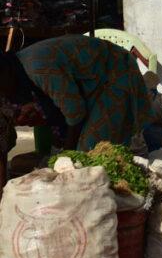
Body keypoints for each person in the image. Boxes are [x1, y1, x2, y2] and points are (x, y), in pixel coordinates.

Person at [0, 34, 152, 191]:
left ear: (5, 72)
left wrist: (67, 153)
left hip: (116, 73)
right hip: (94, 84)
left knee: (89, 155)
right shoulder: (21, 68)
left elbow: (75, 112)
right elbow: (58, 109)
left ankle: (125, 190)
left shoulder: (38, 69)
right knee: (81, 159)